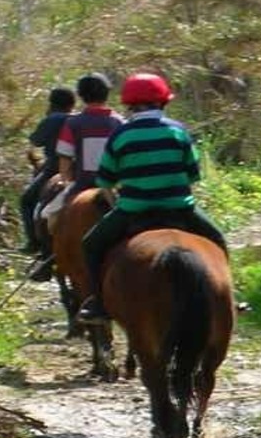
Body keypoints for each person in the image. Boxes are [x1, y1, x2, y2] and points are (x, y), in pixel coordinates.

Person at [76, 72, 228, 322]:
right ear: (163, 102)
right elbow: (193, 174)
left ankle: (98, 303)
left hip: (133, 210)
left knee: (91, 245)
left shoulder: (121, 134)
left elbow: (105, 181)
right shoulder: (179, 131)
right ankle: (227, 296)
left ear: (129, 105)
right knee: (217, 239)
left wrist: (118, 202)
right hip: (180, 209)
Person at [28, 73, 125, 282]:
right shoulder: (119, 122)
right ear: (107, 94)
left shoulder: (74, 123)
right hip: (115, 187)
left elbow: (65, 159)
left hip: (82, 185)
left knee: (44, 215)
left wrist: (65, 178)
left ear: (81, 96)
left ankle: (48, 259)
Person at [20, 86, 76, 253]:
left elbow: (36, 142)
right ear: (72, 103)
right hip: (78, 168)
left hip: (54, 168)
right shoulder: (77, 118)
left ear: (51, 103)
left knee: (27, 201)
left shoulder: (52, 119)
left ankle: (34, 243)